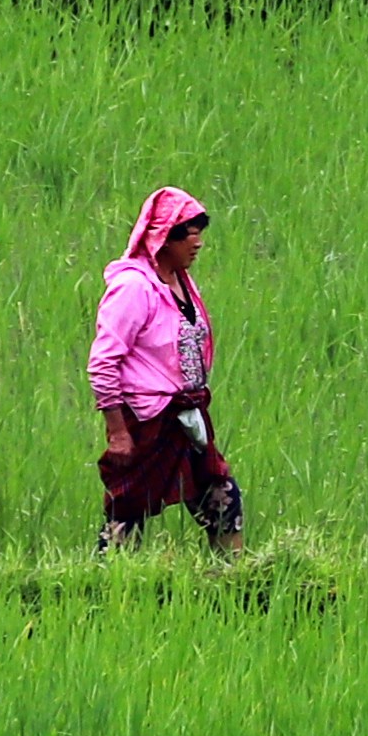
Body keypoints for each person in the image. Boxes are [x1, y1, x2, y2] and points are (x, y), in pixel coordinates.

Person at [90, 187, 241, 554]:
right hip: (147, 418)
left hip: (186, 415)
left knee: (222, 496)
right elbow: (103, 362)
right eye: (189, 234)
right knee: (129, 508)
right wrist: (118, 432)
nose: (198, 243)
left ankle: (235, 577)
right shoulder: (133, 288)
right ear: (164, 236)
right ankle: (107, 576)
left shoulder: (182, 281)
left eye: (199, 233)